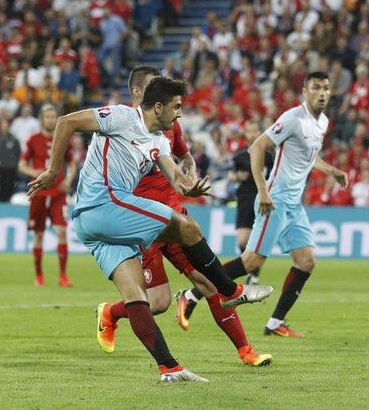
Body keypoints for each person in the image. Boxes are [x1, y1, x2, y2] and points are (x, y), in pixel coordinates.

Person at [26, 76, 273, 381]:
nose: (179, 113)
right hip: (103, 204)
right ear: (158, 107)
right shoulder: (121, 116)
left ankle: (169, 367)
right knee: (187, 227)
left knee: (138, 299)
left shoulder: (159, 140)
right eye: (176, 107)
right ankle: (230, 289)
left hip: (99, 225)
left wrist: (189, 187)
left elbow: (175, 176)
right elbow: (66, 121)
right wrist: (53, 169)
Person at [96, 67, 271, 367]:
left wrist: (189, 172)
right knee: (159, 303)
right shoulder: (120, 127)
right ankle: (110, 313)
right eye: (154, 88)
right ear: (138, 92)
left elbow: (183, 155)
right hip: (144, 226)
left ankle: (245, 350)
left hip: (174, 218)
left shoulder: (169, 126)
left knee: (210, 283)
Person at [180, 72, 348, 338]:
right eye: (316, 88)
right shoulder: (293, 118)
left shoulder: (322, 122)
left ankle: (275, 323)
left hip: (294, 204)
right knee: (251, 260)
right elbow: (257, 147)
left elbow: (309, 157)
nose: (323, 93)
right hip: (275, 199)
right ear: (305, 91)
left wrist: (332, 170)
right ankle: (192, 294)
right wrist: (263, 191)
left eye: (326, 88)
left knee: (305, 262)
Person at [176, 120, 273, 321]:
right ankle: (193, 294)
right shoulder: (240, 156)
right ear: (245, 133)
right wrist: (238, 176)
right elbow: (233, 176)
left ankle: (195, 293)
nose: (253, 132)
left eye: (256, 129)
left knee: (253, 257)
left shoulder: (268, 156)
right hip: (248, 201)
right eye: (250, 130)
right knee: (245, 247)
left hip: (266, 201)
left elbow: (272, 176)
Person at [18, 104, 76, 287]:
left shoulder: (63, 138)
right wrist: (34, 172)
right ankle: (39, 276)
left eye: (53, 116)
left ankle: (63, 276)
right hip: (38, 192)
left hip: (58, 192)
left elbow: (72, 164)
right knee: (39, 235)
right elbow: (21, 165)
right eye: (47, 117)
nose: (50, 120)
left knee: (61, 232)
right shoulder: (33, 140)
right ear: (42, 119)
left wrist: (68, 180)